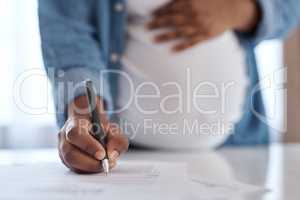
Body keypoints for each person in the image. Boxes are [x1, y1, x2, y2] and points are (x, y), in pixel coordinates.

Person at [39, 0, 300, 173]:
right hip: (127, 162)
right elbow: (67, 29)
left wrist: (240, 10)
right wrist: (84, 112)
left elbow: (291, 8)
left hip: (238, 154)